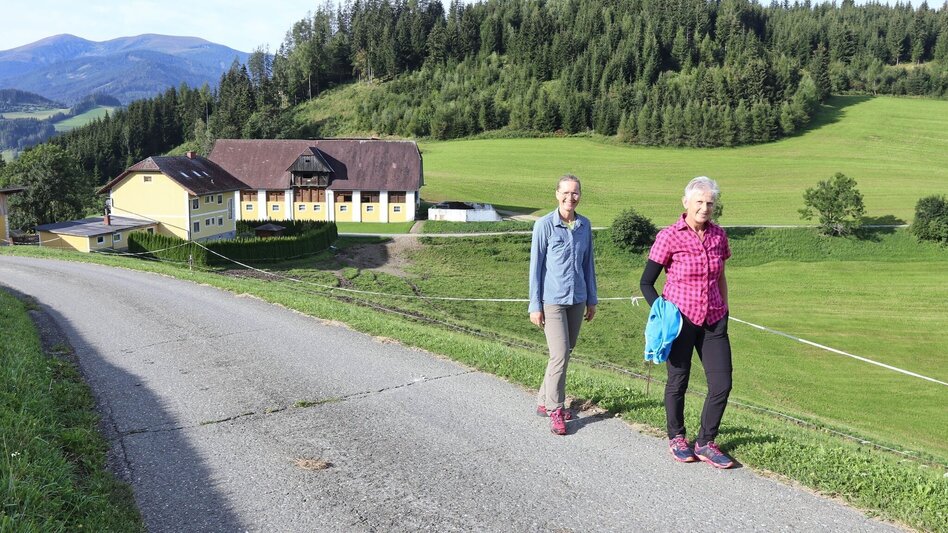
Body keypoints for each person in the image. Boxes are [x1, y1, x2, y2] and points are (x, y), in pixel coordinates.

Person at [639, 176, 735, 468]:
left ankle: (705, 442)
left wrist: (725, 309)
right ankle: (677, 438)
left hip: (714, 320)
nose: (705, 208)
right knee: (678, 380)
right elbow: (646, 282)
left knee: (722, 383)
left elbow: (720, 276)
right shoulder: (669, 236)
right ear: (686, 203)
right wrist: (662, 313)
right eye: (699, 202)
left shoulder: (719, 236)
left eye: (710, 203)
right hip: (679, 322)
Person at [529, 174, 598, 436]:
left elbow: (588, 264)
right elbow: (535, 268)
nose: (571, 197)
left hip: (577, 299)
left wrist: (591, 299)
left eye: (575, 192)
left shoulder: (584, 225)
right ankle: (556, 409)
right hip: (553, 301)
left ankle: (543, 400)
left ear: (580, 195)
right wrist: (535, 305)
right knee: (559, 355)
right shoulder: (544, 225)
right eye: (566, 192)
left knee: (565, 352)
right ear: (557, 194)